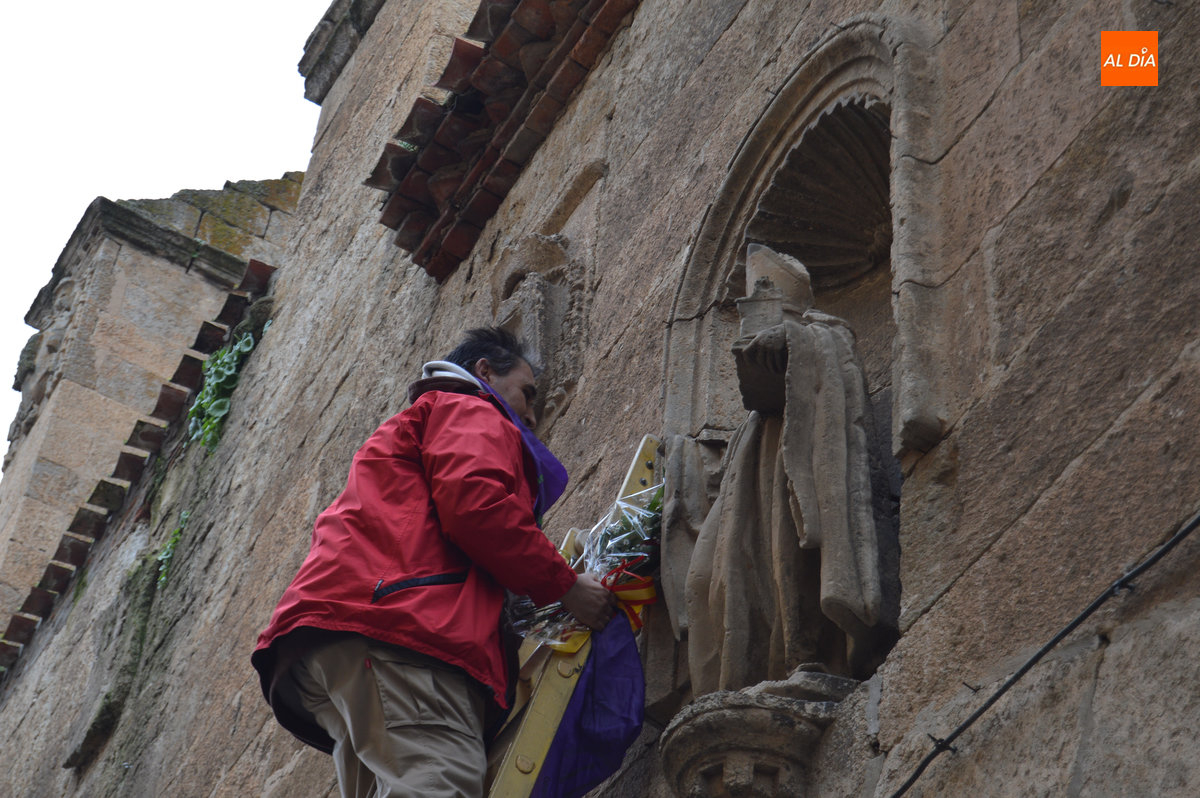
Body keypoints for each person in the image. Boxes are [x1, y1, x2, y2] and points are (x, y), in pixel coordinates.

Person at [252, 327, 616, 798]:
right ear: (485, 372)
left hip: (337, 645)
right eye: (527, 393)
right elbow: (478, 508)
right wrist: (566, 586)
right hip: (404, 633)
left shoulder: (420, 421)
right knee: (440, 783)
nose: (531, 415)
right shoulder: (469, 406)